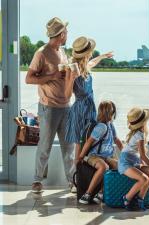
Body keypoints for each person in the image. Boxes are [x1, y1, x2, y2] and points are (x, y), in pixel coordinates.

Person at [26, 17, 78, 193]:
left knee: (69, 147)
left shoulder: (63, 51)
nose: (67, 35)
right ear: (61, 34)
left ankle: (72, 181)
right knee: (45, 146)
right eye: (66, 32)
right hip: (49, 107)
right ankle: (37, 181)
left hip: (66, 107)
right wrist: (52, 76)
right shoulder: (41, 53)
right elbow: (29, 78)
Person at [64, 36, 113, 166]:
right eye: (91, 51)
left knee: (88, 141)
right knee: (79, 145)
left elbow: (93, 62)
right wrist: (71, 79)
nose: (92, 53)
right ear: (87, 53)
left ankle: (85, 175)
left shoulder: (86, 66)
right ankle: (77, 178)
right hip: (80, 110)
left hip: (90, 109)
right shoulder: (72, 69)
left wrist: (102, 56)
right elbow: (67, 96)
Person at [77, 100, 123, 204]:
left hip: (106, 156)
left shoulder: (110, 125)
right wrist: (81, 156)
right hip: (94, 156)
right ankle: (87, 194)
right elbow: (89, 142)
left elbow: (117, 140)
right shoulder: (101, 127)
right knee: (104, 167)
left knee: (118, 166)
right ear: (110, 112)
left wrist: (125, 154)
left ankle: (102, 192)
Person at [118, 107, 149, 210]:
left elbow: (138, 156)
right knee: (144, 178)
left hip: (133, 161)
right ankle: (127, 199)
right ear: (144, 122)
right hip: (126, 163)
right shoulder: (139, 134)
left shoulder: (137, 132)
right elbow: (142, 155)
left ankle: (140, 199)